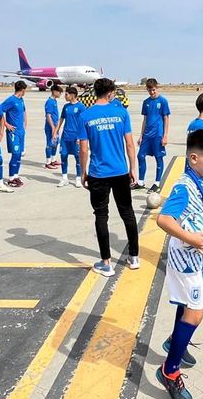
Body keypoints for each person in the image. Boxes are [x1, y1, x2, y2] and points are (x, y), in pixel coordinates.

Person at [154, 129, 203, 399]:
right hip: (185, 260)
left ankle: (175, 343)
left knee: (186, 307)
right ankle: (170, 372)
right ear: (194, 158)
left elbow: (200, 212)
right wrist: (191, 238)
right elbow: (164, 220)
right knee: (196, 315)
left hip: (197, 257)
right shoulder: (183, 186)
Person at [79, 78, 140, 277]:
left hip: (98, 173)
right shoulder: (121, 112)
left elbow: (83, 148)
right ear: (111, 92)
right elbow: (130, 144)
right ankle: (134, 257)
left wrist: (83, 172)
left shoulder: (86, 115)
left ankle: (106, 263)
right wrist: (133, 168)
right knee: (127, 213)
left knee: (101, 216)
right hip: (120, 171)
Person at [136, 79, 171, 191]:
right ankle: (140, 181)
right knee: (140, 155)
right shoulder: (146, 102)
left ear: (157, 88)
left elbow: (166, 119)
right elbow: (145, 120)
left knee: (158, 157)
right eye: (149, 90)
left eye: (153, 90)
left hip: (158, 134)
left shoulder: (163, 101)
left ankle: (157, 183)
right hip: (147, 135)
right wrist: (141, 135)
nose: (151, 92)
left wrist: (165, 136)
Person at [55, 86, 86, 188]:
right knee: (63, 156)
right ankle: (64, 178)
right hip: (65, 137)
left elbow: (84, 123)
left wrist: (80, 137)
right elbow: (61, 119)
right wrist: (56, 132)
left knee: (78, 158)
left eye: (67, 94)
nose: (65, 96)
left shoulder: (81, 107)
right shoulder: (66, 107)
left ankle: (78, 178)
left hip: (76, 137)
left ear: (72, 95)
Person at [0, 81, 28, 188]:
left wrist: (25, 122)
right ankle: (11, 178)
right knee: (15, 154)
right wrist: (6, 124)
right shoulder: (10, 100)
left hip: (21, 131)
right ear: (22, 90)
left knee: (19, 155)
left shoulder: (21, 100)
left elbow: (24, 111)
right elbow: (0, 111)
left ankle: (16, 175)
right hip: (13, 132)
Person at [44, 84, 64, 170]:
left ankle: (53, 159)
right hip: (50, 127)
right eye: (59, 92)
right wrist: (52, 127)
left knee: (55, 143)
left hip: (56, 126)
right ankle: (48, 162)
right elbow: (48, 116)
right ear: (54, 92)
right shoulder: (50, 102)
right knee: (50, 143)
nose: (60, 94)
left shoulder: (54, 101)